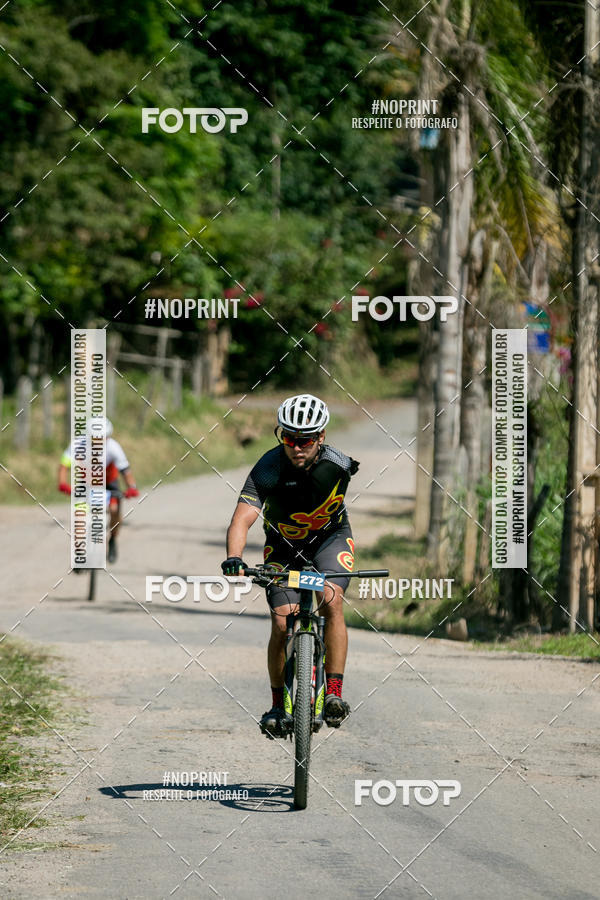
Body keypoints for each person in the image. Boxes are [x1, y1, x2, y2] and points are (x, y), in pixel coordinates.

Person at [221, 393, 359, 737]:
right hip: (283, 549)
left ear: (321, 438)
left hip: (330, 541)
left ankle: (334, 695)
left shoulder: (339, 464)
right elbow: (241, 520)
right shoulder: (268, 468)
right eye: (289, 438)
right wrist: (235, 558)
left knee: (332, 600)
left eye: (306, 440)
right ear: (280, 435)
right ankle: (278, 703)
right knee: (282, 621)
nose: (297, 447)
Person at [58, 416, 139, 563]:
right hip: (86, 482)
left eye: (105, 437)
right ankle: (80, 551)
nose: (101, 441)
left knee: (114, 510)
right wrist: (62, 483)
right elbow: (64, 464)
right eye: (97, 438)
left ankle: (113, 540)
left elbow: (126, 471)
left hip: (109, 482)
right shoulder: (78, 444)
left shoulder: (114, 447)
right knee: (80, 515)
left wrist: (132, 487)